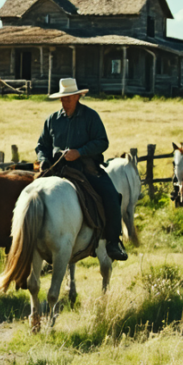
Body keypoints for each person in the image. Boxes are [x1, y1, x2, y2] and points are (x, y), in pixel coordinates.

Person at [35, 77, 129, 261]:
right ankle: (19, 237)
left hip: (86, 169)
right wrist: (44, 160)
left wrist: (80, 152)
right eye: (63, 98)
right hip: (57, 169)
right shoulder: (52, 120)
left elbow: (102, 142)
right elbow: (42, 145)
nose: (65, 101)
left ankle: (112, 242)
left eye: (69, 97)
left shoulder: (90, 117)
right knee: (27, 192)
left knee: (111, 195)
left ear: (78, 97)